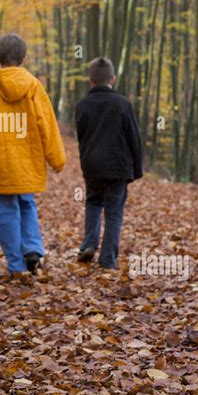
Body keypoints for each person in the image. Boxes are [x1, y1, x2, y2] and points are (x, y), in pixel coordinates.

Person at [0, 33, 66, 281]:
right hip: (28, 160)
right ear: (23, 58)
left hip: (1, 162)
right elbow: (47, 123)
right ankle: (33, 249)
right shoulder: (34, 86)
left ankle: (15, 265)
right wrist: (56, 159)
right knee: (27, 203)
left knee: (6, 210)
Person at [75, 56, 143, 270]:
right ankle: (108, 259)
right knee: (114, 212)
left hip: (93, 164)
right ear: (112, 79)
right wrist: (137, 169)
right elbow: (134, 138)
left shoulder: (82, 105)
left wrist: (86, 161)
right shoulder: (123, 104)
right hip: (118, 167)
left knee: (93, 203)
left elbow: (82, 136)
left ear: (90, 80)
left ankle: (88, 244)